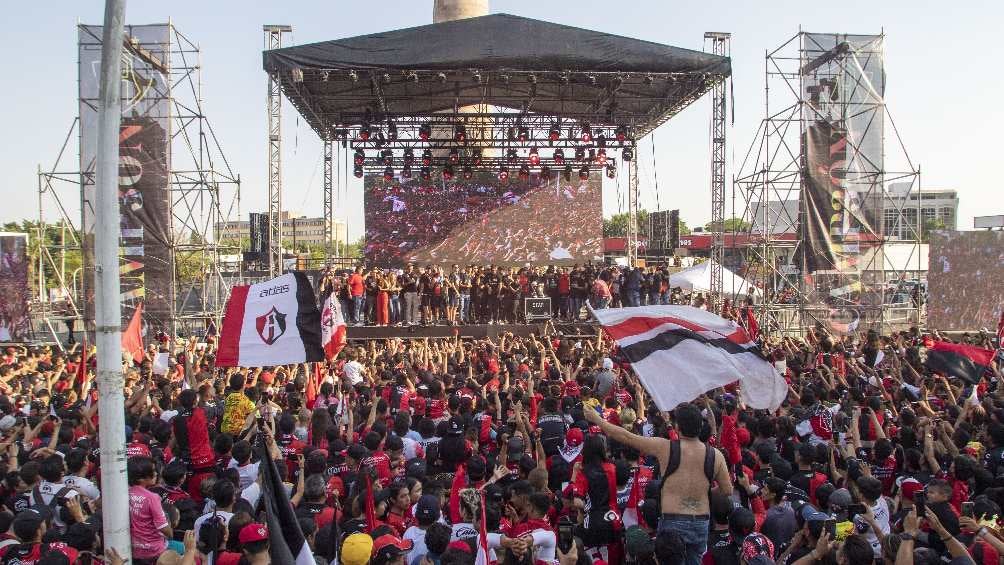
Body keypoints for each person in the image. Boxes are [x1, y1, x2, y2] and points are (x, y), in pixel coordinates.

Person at [585, 403, 731, 565]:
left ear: (677, 427)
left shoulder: (665, 447)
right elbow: (726, 490)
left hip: (672, 522)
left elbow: (626, 437)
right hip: (701, 523)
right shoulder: (715, 455)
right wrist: (704, 492)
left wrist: (597, 419)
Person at [127, 456, 172, 565]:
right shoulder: (151, 497)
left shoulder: (126, 493)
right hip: (155, 551)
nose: (156, 473)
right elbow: (163, 528)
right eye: (153, 471)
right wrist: (171, 533)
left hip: (134, 550)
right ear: (141, 478)